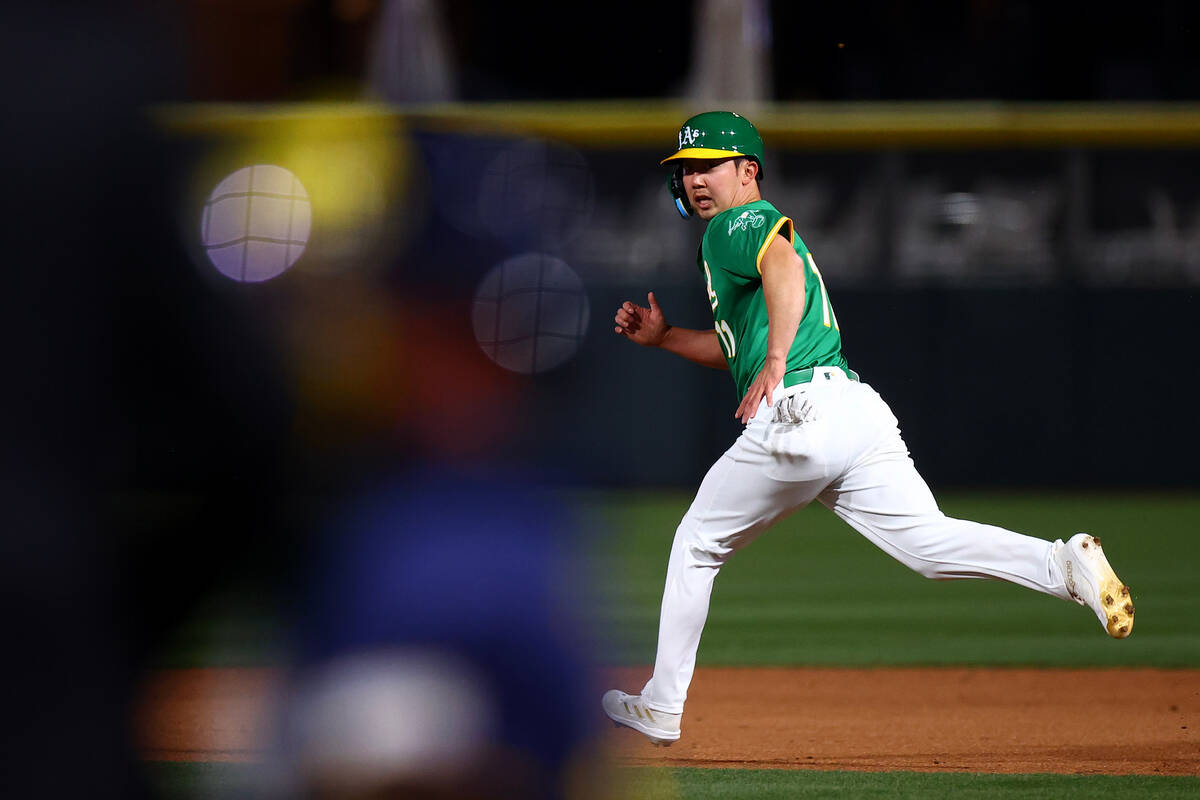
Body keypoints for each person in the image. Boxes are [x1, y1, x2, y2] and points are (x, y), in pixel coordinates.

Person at [600, 111, 1134, 746]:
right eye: (687, 170)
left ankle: (662, 705)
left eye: (710, 164)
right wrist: (666, 339)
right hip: (855, 409)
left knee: (695, 545)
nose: (695, 181)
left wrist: (774, 363)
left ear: (748, 171)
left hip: (800, 411)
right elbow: (739, 342)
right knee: (930, 548)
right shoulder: (735, 237)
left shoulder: (736, 225)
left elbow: (784, 272)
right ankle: (1061, 563)